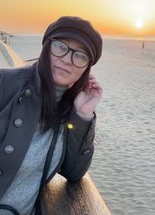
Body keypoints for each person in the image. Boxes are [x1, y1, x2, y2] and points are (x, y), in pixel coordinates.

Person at [0, 16, 103, 215]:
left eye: (80, 55)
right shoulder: (5, 85)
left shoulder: (69, 109)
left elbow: (73, 173)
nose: (67, 59)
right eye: (60, 46)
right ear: (46, 47)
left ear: (87, 68)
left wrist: (83, 115)